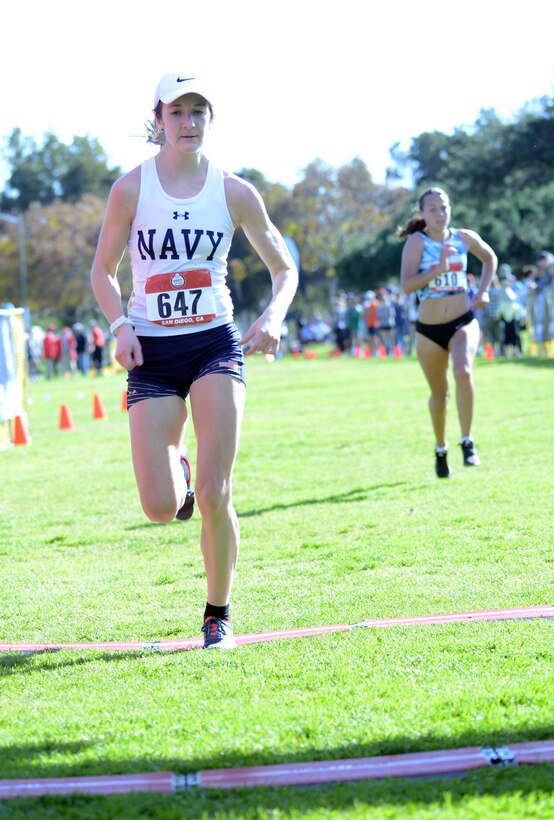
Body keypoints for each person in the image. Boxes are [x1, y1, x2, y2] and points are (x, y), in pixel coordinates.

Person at [90, 70, 298, 649]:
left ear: (211, 118)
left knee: (215, 490)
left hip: (213, 343)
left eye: (198, 111)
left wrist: (273, 317)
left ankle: (218, 615)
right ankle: (175, 475)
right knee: (160, 507)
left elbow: (285, 269)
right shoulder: (130, 189)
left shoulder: (234, 192)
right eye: (177, 112)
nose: (188, 122)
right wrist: (120, 324)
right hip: (151, 351)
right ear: (158, 119)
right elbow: (102, 272)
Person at [399, 187, 497, 478]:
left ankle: (467, 441)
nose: (440, 214)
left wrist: (483, 291)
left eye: (444, 207)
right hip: (428, 330)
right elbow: (407, 286)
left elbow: (490, 258)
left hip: (462, 321)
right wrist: (438, 268)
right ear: (422, 214)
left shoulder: (464, 238)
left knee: (463, 371)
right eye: (433, 209)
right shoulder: (417, 243)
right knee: (439, 395)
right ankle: (440, 449)